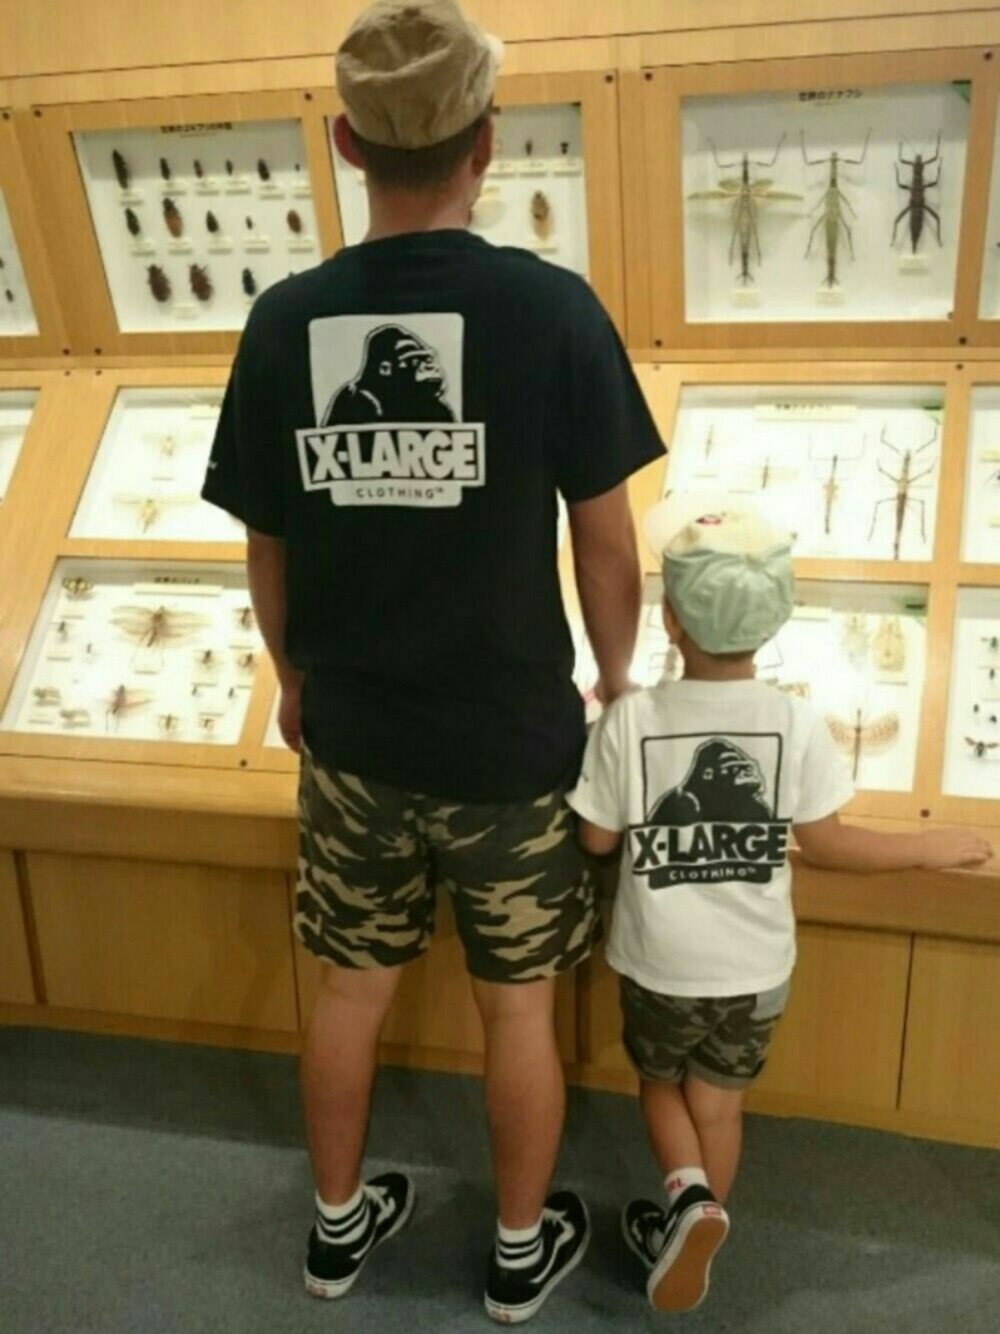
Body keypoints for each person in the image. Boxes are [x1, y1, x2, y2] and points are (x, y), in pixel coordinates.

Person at [202, 0, 664, 1322]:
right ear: (489, 141)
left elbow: (268, 542)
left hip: (352, 739)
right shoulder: (550, 309)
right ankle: (518, 1250)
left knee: (350, 991)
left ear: (347, 143)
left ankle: (336, 1230)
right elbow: (607, 544)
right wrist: (617, 681)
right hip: (512, 748)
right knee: (516, 1011)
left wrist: (293, 677)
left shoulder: (284, 320)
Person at [567, 505, 992, 1315]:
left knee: (659, 1085)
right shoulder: (795, 720)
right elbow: (827, 843)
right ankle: (698, 1226)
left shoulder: (632, 719)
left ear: (671, 620)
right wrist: (927, 847)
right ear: (775, 621)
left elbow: (594, 838)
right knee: (719, 1104)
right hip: (757, 971)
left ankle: (687, 1202)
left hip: (662, 966)